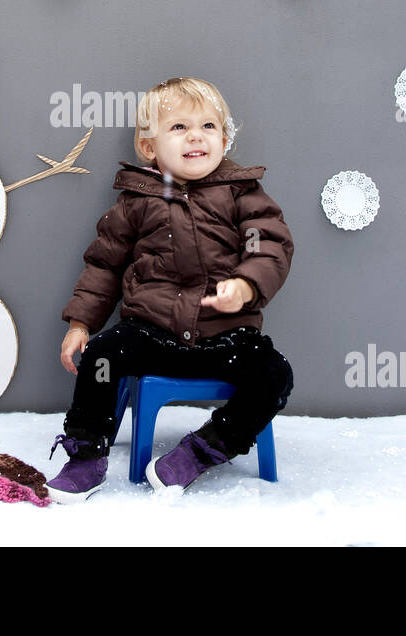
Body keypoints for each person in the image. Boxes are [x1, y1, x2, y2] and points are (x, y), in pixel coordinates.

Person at [46, 77, 294, 503]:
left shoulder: (243, 193)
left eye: (208, 127)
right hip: (151, 332)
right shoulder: (135, 201)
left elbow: (266, 244)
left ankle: (206, 448)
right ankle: (86, 454)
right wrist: (81, 322)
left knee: (275, 375)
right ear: (149, 147)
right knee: (101, 359)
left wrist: (247, 285)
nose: (196, 136)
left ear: (224, 138)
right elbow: (105, 264)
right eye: (179, 127)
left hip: (227, 334)